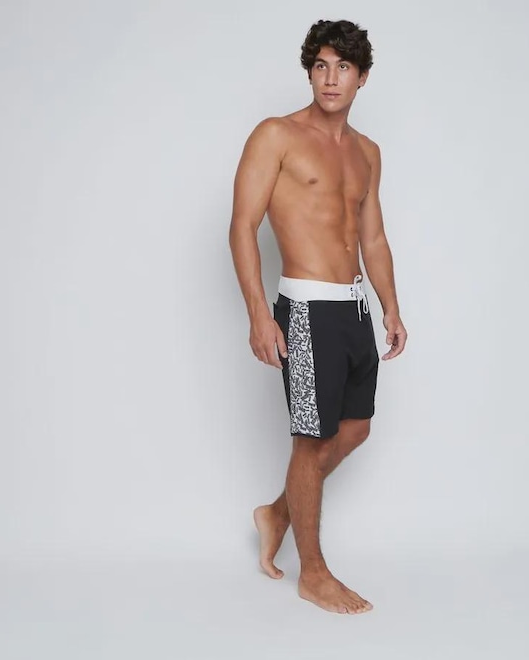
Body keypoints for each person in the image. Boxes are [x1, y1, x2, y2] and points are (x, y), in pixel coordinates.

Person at [229, 19, 407, 615]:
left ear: (362, 78)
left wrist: (390, 306)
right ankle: (314, 573)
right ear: (310, 72)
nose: (331, 79)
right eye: (322, 66)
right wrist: (260, 313)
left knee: (355, 429)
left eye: (344, 68)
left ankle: (277, 513)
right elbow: (242, 225)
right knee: (311, 440)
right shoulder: (276, 134)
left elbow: (372, 237)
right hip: (304, 309)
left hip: (353, 308)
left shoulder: (367, 152)